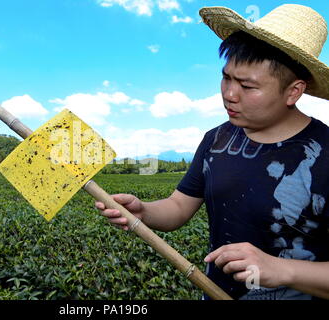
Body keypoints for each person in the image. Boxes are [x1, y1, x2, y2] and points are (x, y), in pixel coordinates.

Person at [95, 4, 329, 300]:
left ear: (293, 91)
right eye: (227, 78)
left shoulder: (323, 153)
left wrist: (281, 269)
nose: (229, 94)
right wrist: (144, 211)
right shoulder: (216, 139)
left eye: (247, 85)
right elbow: (179, 207)